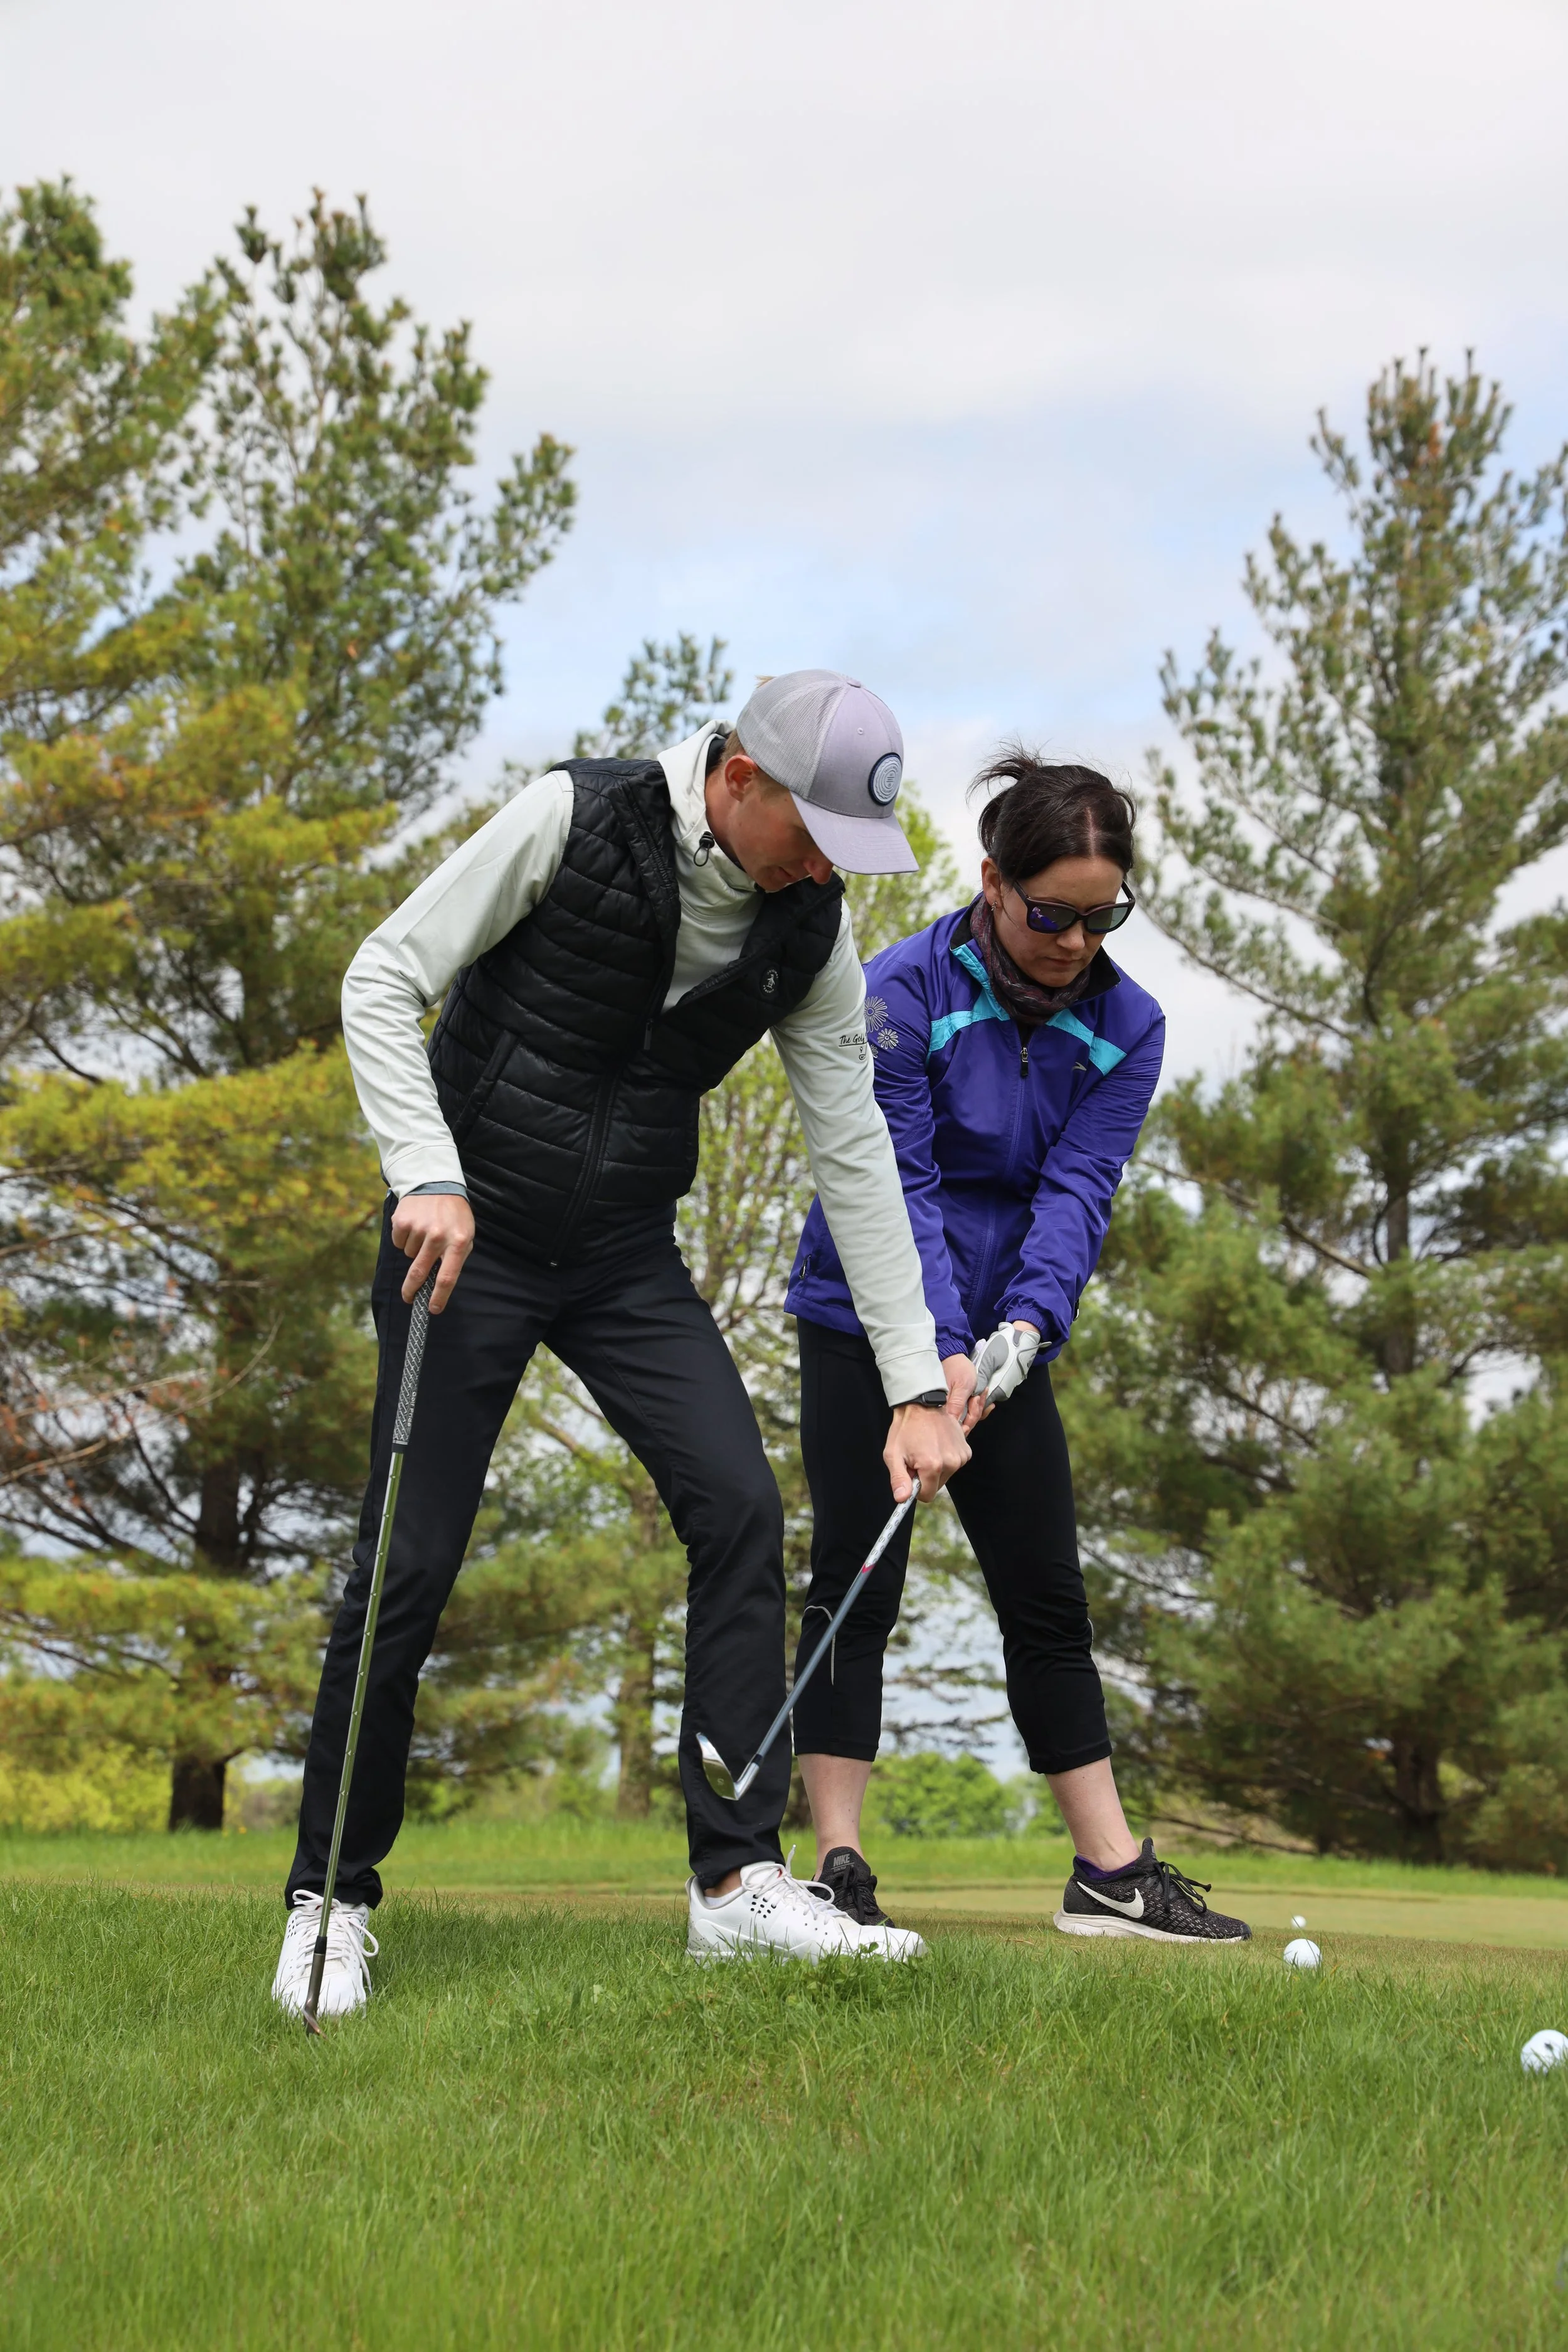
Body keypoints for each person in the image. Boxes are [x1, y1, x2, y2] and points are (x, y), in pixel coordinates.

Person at [271, 671, 970, 2017]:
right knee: (409, 1561)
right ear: (740, 778)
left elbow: (855, 1152)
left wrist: (910, 1384)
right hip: (463, 1237)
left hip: (620, 1259)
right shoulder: (575, 817)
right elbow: (383, 973)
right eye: (813, 832)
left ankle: (734, 1886)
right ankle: (330, 1900)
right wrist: (425, 1170)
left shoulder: (808, 927)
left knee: (740, 1509)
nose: (825, 867)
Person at [784, 751, 1251, 1946]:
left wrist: (1023, 1335)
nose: (1076, 943)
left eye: (1103, 918)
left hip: (1003, 1346)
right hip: (864, 1318)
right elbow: (902, 1185)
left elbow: (1078, 1190)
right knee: (857, 1580)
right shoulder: (898, 992)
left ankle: (1110, 1872)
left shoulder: (1130, 1025)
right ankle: (836, 1862)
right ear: (992, 881)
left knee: (1047, 1594)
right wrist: (931, 1356)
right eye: (1052, 915)